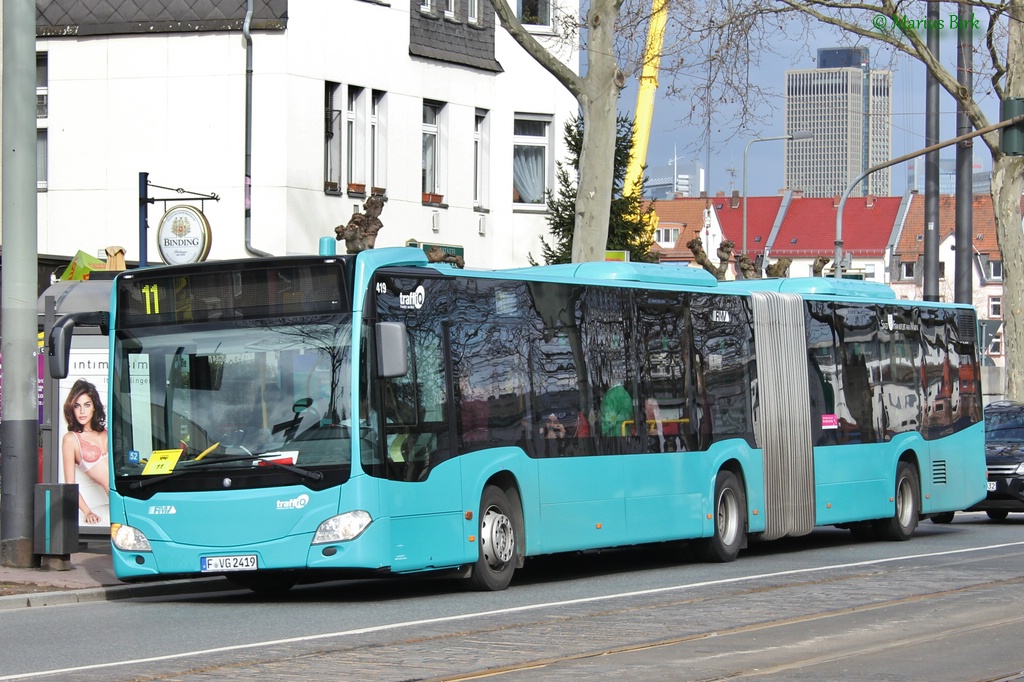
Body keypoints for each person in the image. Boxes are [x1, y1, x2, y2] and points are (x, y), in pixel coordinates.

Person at [61, 379, 110, 525]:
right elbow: (70, 485)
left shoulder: (108, 433)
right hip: (115, 498)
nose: (82, 411)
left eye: (87, 405)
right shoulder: (71, 439)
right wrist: (88, 511)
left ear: (94, 407)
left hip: (131, 490)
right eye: (77, 406)